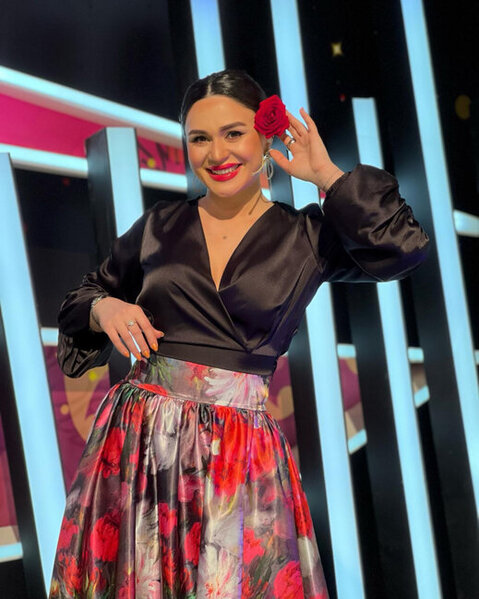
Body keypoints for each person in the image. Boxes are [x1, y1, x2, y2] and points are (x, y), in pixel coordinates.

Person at [49, 69, 429, 598]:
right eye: (199, 138)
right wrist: (103, 307)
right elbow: (83, 300)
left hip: (237, 452)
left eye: (233, 133)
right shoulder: (159, 226)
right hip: (141, 442)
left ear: (265, 137)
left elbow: (403, 248)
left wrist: (325, 175)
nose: (217, 153)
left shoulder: (307, 236)